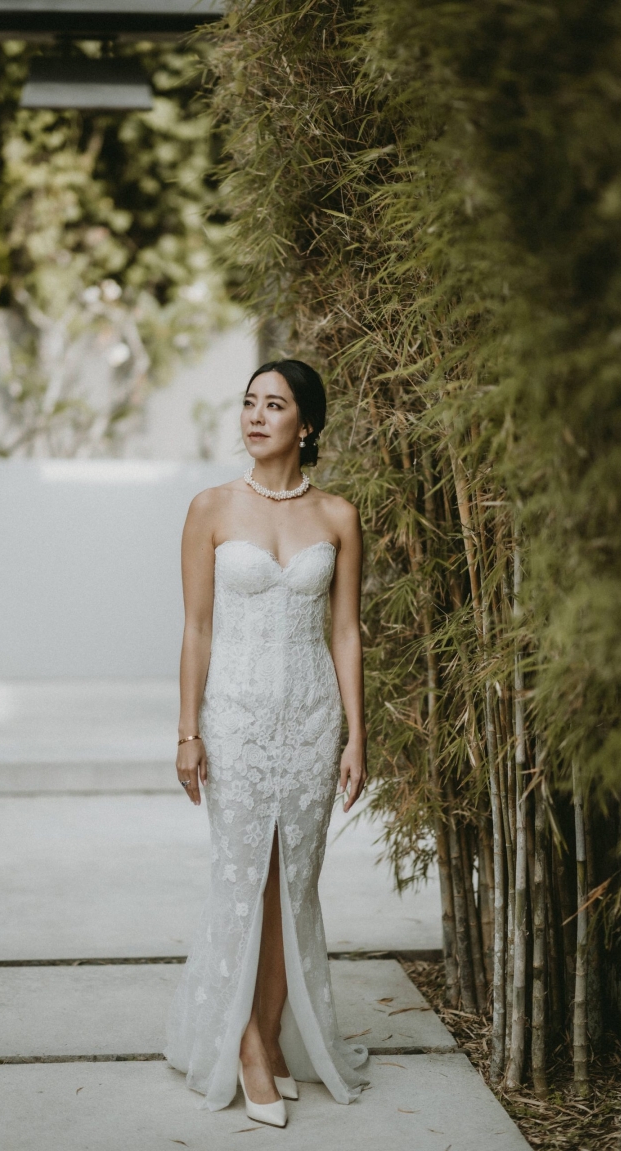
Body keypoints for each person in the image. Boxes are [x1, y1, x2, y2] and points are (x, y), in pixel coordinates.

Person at [164, 359, 370, 1127]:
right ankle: (246, 1043)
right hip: (237, 718)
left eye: (274, 404)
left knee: (295, 882)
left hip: (313, 718)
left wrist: (355, 733)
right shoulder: (211, 508)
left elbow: (346, 630)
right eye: (248, 402)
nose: (255, 415)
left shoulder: (339, 516)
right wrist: (188, 729)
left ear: (305, 424)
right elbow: (197, 626)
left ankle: (275, 1034)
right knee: (243, 876)